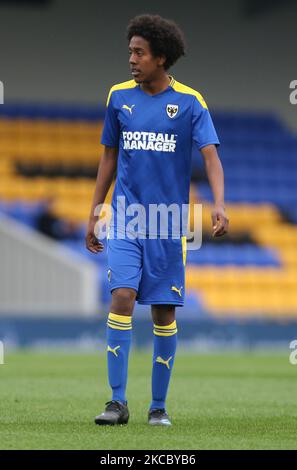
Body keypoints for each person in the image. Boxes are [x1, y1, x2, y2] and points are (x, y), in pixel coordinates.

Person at [86, 14, 229, 426]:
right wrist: (95, 211)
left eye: (139, 53)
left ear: (161, 58)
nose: (131, 59)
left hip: (168, 225)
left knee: (164, 313)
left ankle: (158, 407)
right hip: (126, 220)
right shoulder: (118, 97)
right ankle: (116, 402)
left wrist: (219, 203)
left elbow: (211, 156)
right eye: (130, 51)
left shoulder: (190, 102)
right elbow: (108, 158)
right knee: (122, 298)